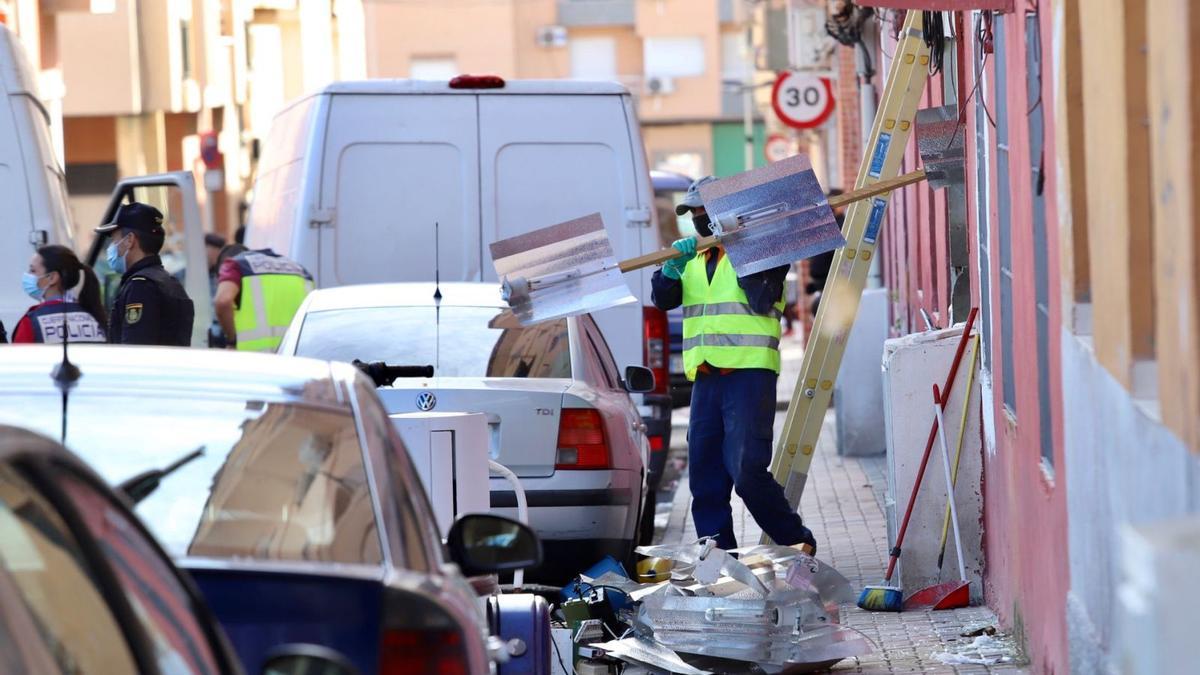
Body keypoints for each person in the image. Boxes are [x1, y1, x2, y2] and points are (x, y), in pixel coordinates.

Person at [651, 176, 818, 552]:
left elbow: (762, 298)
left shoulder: (763, 249)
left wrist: (739, 247)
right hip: (707, 377)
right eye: (691, 212)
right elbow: (662, 298)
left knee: (746, 472)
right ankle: (716, 558)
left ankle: (796, 540)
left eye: (701, 211)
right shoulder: (690, 256)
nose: (695, 218)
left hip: (748, 373)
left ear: (722, 213)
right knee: (705, 476)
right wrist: (669, 271)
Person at [96, 202, 195, 346]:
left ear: (130, 240)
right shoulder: (169, 281)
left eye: (114, 240)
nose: (111, 248)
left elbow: (134, 352)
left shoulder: (141, 286)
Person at [213, 247, 313, 352]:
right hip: (297, 357)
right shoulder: (302, 271)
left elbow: (223, 301)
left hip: (253, 359)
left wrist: (231, 340)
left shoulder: (234, 266)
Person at [12, 245, 107, 343]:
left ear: (52, 278)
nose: (28, 275)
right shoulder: (94, 316)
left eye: (33, 270)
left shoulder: (31, 322)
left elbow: (18, 357)